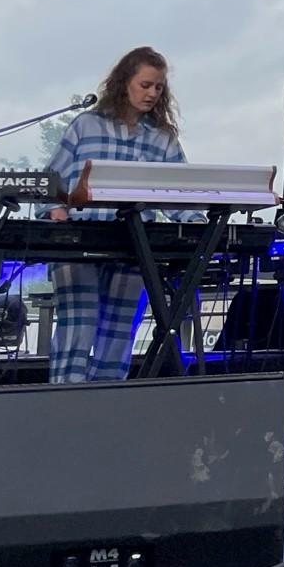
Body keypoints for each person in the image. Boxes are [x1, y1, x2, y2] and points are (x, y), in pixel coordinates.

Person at [43, 46, 191, 383]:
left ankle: (105, 403)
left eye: (158, 87)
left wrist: (200, 222)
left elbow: (180, 193)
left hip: (133, 243)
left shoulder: (163, 139)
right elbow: (50, 181)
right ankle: (64, 401)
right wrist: (57, 213)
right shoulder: (85, 125)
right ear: (124, 82)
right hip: (78, 239)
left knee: (119, 332)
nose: (152, 93)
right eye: (145, 85)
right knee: (78, 323)